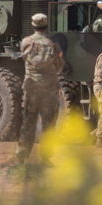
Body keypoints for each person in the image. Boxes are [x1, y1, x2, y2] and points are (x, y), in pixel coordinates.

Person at [16, 13, 65, 162]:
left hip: (32, 88)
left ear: (33, 25)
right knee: (49, 125)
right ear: (46, 25)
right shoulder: (53, 44)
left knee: (28, 123)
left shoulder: (26, 42)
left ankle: (21, 157)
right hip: (49, 89)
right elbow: (59, 66)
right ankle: (46, 158)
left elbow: (24, 59)